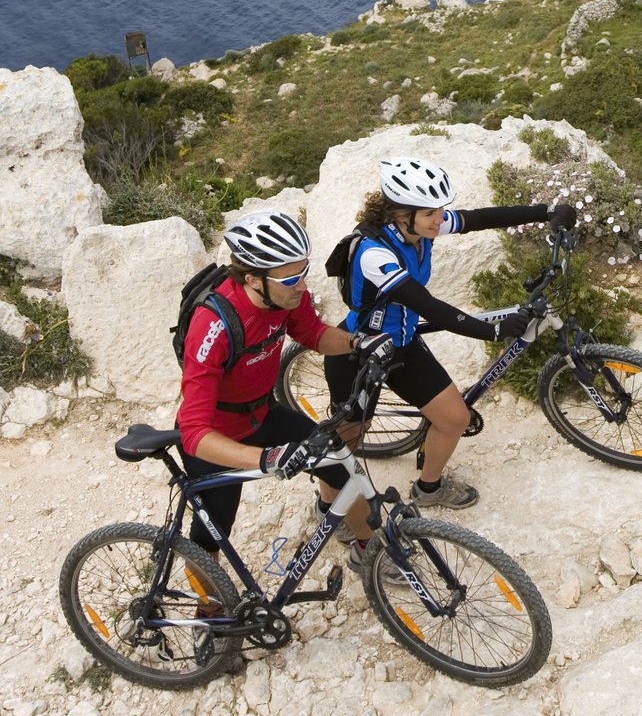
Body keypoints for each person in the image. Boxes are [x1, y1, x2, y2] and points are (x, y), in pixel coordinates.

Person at [323, 156, 576, 537]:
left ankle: (428, 488)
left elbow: (478, 218)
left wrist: (546, 212)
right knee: (345, 442)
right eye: (430, 213)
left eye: (441, 210)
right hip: (360, 353)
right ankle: (328, 508)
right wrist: (491, 332)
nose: (440, 219)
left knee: (454, 418)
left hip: (403, 345)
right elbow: (430, 307)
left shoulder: (422, 226)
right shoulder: (374, 254)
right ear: (400, 214)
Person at [177, 209, 363, 560]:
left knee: (341, 465)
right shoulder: (213, 325)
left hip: (262, 414)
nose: (303, 286)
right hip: (218, 437)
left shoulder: (283, 295)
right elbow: (193, 433)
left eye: (303, 272)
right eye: (292, 279)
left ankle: (368, 548)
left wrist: (356, 344)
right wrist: (268, 458)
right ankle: (209, 609)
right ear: (252, 279)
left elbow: (312, 333)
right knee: (211, 537)